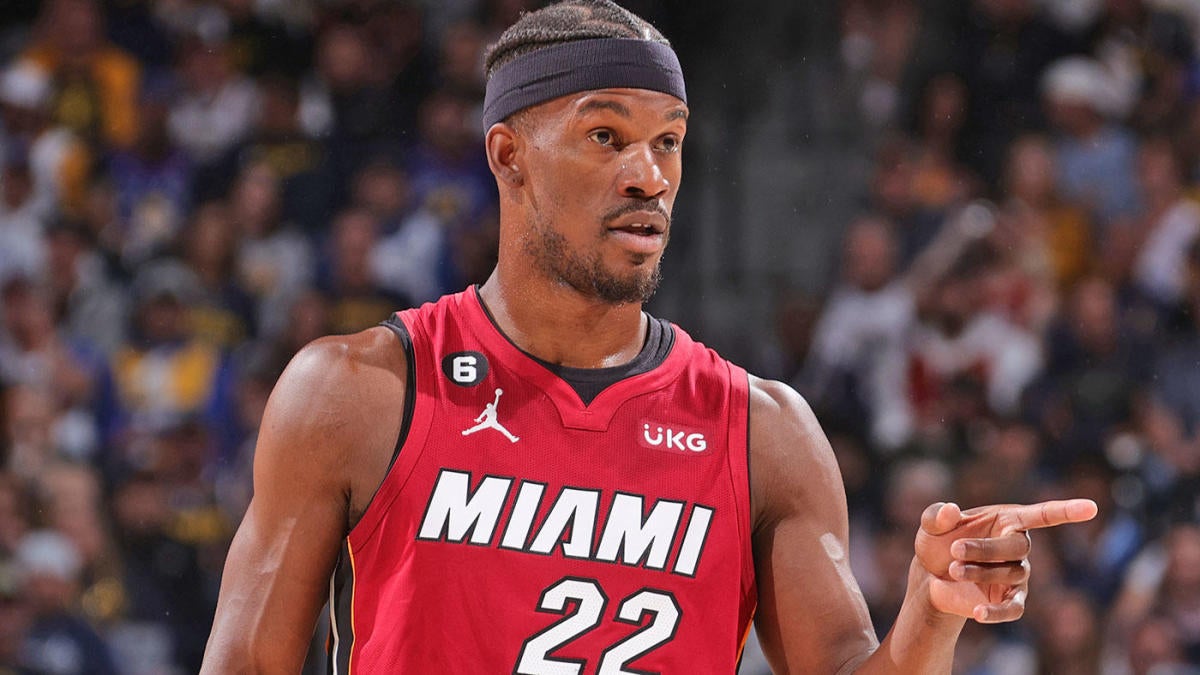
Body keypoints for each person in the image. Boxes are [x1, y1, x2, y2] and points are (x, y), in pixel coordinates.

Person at [200, 1, 1098, 672]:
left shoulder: (763, 431)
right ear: (509, 156)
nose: (649, 175)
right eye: (606, 135)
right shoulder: (358, 392)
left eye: (668, 141)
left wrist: (932, 614)